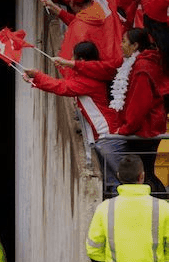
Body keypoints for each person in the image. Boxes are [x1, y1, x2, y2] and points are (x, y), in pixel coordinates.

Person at [23, 41, 123, 194]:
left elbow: (61, 86)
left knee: (117, 182)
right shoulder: (94, 74)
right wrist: (55, 69)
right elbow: (72, 79)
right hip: (106, 133)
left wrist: (37, 76)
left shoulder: (88, 81)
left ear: (81, 60)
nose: (71, 60)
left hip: (106, 134)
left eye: (73, 58)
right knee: (113, 182)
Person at [112, 28, 167, 193]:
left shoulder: (142, 67)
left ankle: (158, 200)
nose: (121, 45)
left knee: (145, 172)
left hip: (144, 130)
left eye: (124, 41)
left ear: (135, 45)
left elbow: (139, 104)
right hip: (145, 128)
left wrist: (126, 128)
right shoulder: (142, 63)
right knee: (147, 170)